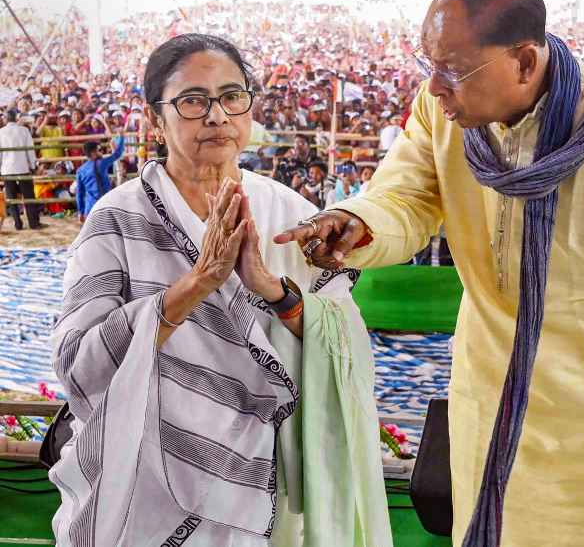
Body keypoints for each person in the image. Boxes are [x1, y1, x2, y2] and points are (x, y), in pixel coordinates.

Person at [275, 0, 584, 547]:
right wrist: (359, 222)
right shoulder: (446, 114)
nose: (436, 86)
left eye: (453, 70)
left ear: (523, 62)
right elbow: (407, 196)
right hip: (490, 413)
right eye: (429, 66)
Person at [48, 33, 391, 547]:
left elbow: (345, 347)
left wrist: (273, 290)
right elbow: (78, 364)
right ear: (153, 119)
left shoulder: (290, 215)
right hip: (143, 488)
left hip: (265, 490)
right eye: (192, 101)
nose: (217, 116)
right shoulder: (118, 219)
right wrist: (194, 285)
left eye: (232, 97)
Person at [0, 108, 42, 230]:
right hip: (23, 167)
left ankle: (18, 223)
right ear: (16, 118)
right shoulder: (24, 130)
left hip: (7, 169)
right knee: (29, 196)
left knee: (12, 197)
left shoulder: (1, 132)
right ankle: (33, 223)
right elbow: (30, 150)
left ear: (5, 118)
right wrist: (33, 165)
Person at [75, 136, 126, 221]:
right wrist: (121, 137)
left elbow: (79, 193)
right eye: (99, 150)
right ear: (93, 153)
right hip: (104, 205)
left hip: (90, 209)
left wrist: (81, 211)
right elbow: (117, 154)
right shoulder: (101, 163)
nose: (102, 152)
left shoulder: (80, 170)